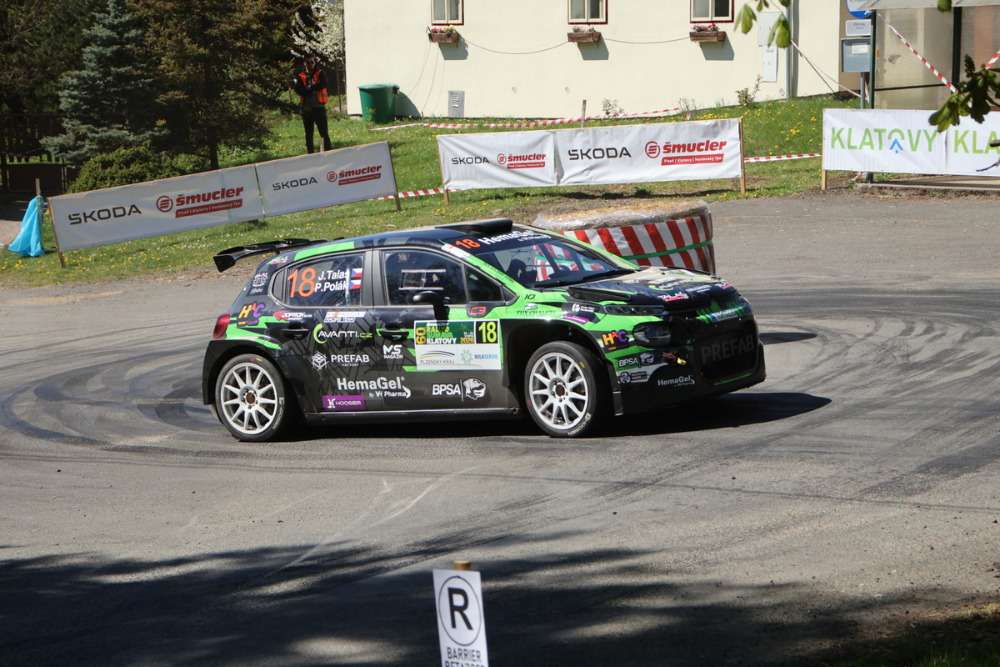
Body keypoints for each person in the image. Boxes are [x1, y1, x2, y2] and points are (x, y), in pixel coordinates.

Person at [292, 56, 332, 153]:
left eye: (312, 62)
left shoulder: (320, 73)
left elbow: (323, 84)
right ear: (304, 64)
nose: (310, 65)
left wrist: (310, 88)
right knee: (309, 134)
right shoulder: (300, 75)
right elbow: (298, 89)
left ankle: (328, 151)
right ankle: (310, 153)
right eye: (308, 63)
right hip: (306, 109)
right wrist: (308, 90)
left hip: (319, 107)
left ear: (315, 63)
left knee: (323, 132)